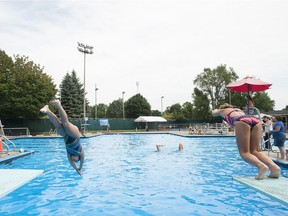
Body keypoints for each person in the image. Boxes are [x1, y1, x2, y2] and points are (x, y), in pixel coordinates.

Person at [212, 103, 280, 180]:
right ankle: (274, 168)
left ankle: (261, 166)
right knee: (255, 151)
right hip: (255, 121)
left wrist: (215, 110)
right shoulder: (238, 110)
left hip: (241, 120)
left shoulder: (223, 110)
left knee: (244, 153)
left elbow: (214, 113)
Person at [40, 99, 84, 175]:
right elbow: (82, 162)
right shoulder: (81, 152)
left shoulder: (69, 154)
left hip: (66, 136)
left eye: (74, 161)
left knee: (58, 126)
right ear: (78, 157)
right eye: (76, 160)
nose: (74, 161)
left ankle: (47, 110)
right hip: (75, 136)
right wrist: (79, 168)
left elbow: (71, 163)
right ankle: (58, 105)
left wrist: (76, 169)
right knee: (65, 124)